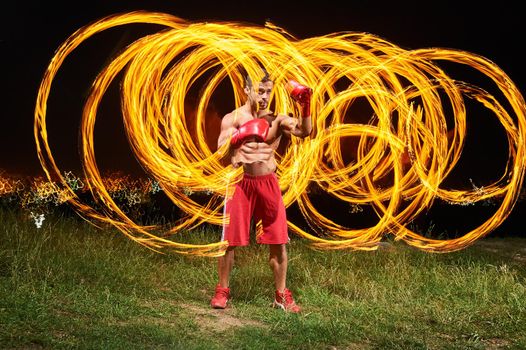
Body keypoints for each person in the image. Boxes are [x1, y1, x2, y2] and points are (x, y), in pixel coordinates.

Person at [210, 70, 313, 313]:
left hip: (268, 183)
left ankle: (281, 295)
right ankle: (222, 290)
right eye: (260, 90)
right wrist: (238, 138)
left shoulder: (277, 119)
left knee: (278, 241)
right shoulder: (233, 118)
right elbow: (220, 152)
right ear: (246, 90)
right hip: (240, 183)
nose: (265, 96)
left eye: (268, 91)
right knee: (229, 242)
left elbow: (304, 131)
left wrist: (306, 105)